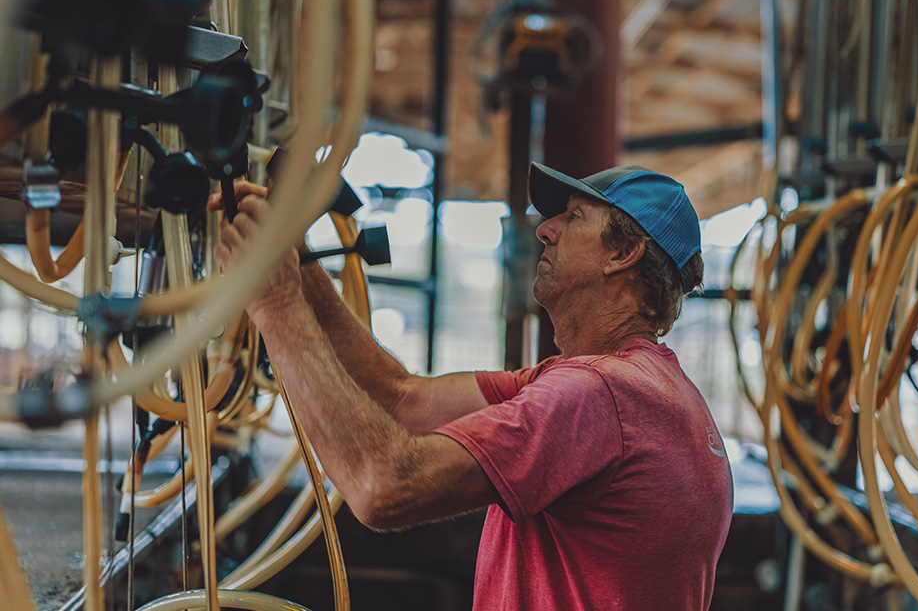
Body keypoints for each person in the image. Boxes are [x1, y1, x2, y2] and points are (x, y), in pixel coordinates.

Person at [211, 162, 734, 611]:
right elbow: (401, 398)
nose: (545, 229)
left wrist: (276, 304)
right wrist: (297, 266)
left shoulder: (597, 396)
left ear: (623, 255)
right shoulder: (641, 389)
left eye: (573, 218)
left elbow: (383, 487)